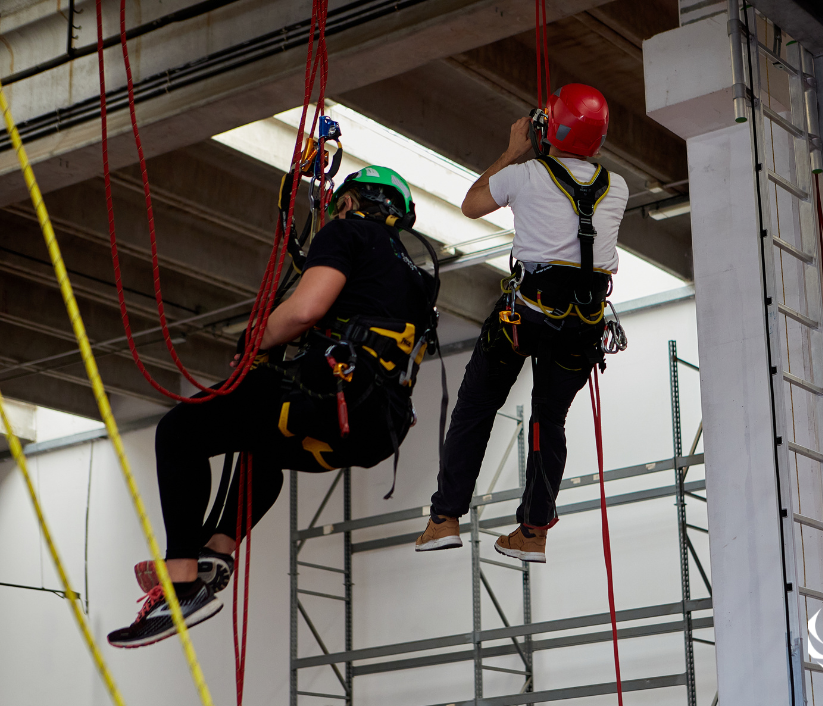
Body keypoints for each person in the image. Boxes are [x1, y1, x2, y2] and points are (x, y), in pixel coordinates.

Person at [107, 165, 438, 648]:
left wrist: (252, 340)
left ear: (350, 202)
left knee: (179, 432)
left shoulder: (346, 233)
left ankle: (180, 583)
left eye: (338, 203)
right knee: (261, 444)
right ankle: (217, 550)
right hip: (372, 429)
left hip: (328, 398)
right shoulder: (416, 277)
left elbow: (305, 309)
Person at [415, 84, 627, 564]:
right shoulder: (619, 186)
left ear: (547, 127)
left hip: (526, 317)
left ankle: (446, 518)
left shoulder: (524, 174)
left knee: (476, 407)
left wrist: (513, 150)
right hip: (583, 325)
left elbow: (471, 204)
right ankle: (533, 532)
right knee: (548, 421)